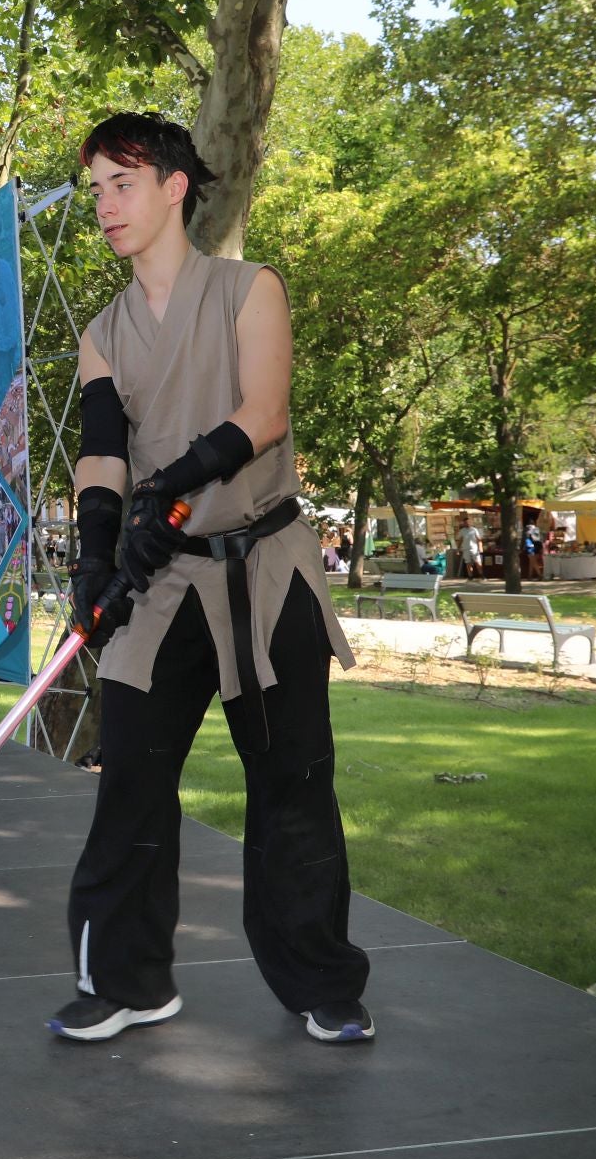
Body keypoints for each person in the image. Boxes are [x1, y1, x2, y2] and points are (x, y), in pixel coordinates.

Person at [52, 112, 370, 1047]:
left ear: (174, 186)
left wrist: (172, 486)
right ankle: (129, 979)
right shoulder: (103, 331)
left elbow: (261, 416)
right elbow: (103, 451)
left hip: (267, 573)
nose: (106, 205)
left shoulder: (248, 288)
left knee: (296, 783)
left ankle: (321, 980)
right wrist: (98, 556)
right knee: (130, 783)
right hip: (164, 586)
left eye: (123, 182)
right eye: (96, 190)